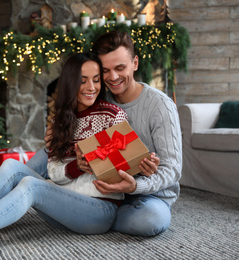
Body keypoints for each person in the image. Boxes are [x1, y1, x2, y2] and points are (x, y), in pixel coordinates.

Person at [0, 52, 159, 258]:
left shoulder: (113, 115)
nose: (91, 87)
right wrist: (76, 166)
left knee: (31, 185)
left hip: (100, 210)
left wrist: (140, 165)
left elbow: (122, 169)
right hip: (64, 204)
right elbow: (57, 174)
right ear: (71, 82)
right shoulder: (62, 120)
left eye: (95, 79)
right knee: (13, 166)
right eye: (82, 80)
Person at [39, 31, 182, 237]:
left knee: (151, 220)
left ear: (135, 63)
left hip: (146, 195)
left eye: (120, 68)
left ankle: (90, 216)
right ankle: (23, 192)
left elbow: (172, 170)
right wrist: (57, 136)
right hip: (99, 185)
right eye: (105, 71)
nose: (113, 77)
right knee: (41, 155)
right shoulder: (98, 97)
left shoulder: (161, 106)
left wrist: (136, 185)